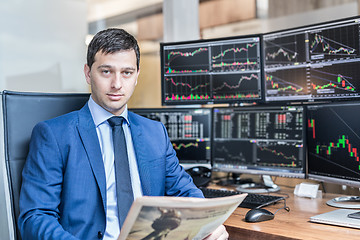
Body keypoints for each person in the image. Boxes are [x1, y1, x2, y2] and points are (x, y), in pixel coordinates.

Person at [18, 28, 229, 240]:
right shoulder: (54, 135)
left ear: (137, 75)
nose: (117, 84)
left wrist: (211, 222)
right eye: (106, 71)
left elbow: (185, 191)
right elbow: (35, 217)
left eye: (126, 72)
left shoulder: (154, 133)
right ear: (88, 73)